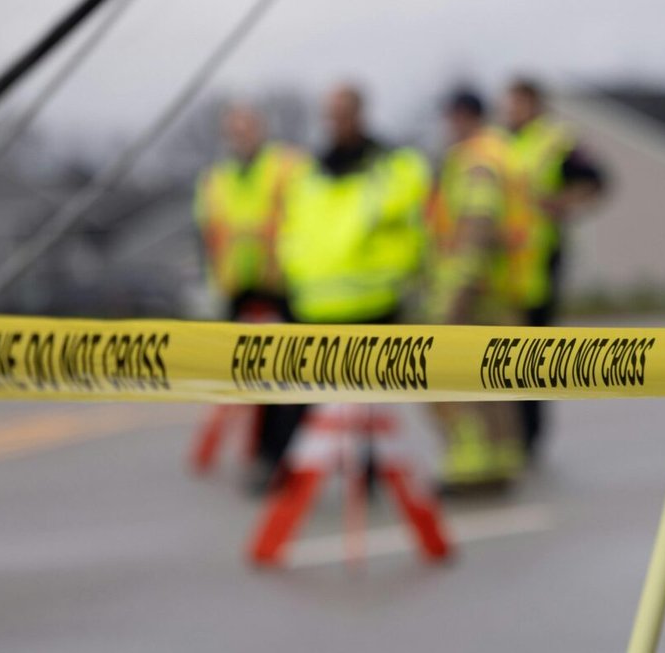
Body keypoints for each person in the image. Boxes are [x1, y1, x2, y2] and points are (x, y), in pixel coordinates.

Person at [265, 83, 431, 491]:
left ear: (360, 115)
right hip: (313, 303)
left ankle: (366, 474)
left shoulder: (394, 166)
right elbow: (295, 230)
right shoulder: (310, 172)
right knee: (297, 397)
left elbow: (401, 215)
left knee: (370, 402)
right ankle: (285, 473)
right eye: (330, 114)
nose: (334, 123)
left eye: (342, 113)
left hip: (373, 300)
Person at [194, 103, 303, 491]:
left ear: (262, 129)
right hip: (237, 290)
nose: (241, 136)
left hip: (282, 288)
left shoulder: (287, 168)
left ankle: (275, 457)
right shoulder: (217, 178)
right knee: (248, 378)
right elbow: (208, 235)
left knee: (286, 380)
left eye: (247, 128)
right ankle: (262, 456)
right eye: (234, 130)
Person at [429, 90, 527, 491]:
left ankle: (471, 467)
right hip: (501, 286)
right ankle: (500, 461)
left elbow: (477, 224)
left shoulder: (476, 160)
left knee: (451, 378)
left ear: (461, 116)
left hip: (476, 289)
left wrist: (459, 291)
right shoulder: (502, 152)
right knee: (494, 380)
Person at [503, 77, 606, 459]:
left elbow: (596, 182)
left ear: (535, 104)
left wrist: (559, 203)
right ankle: (508, 436)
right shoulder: (499, 142)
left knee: (531, 353)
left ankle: (529, 439)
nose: (510, 112)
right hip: (502, 267)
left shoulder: (556, 140)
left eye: (517, 104)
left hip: (540, 260)